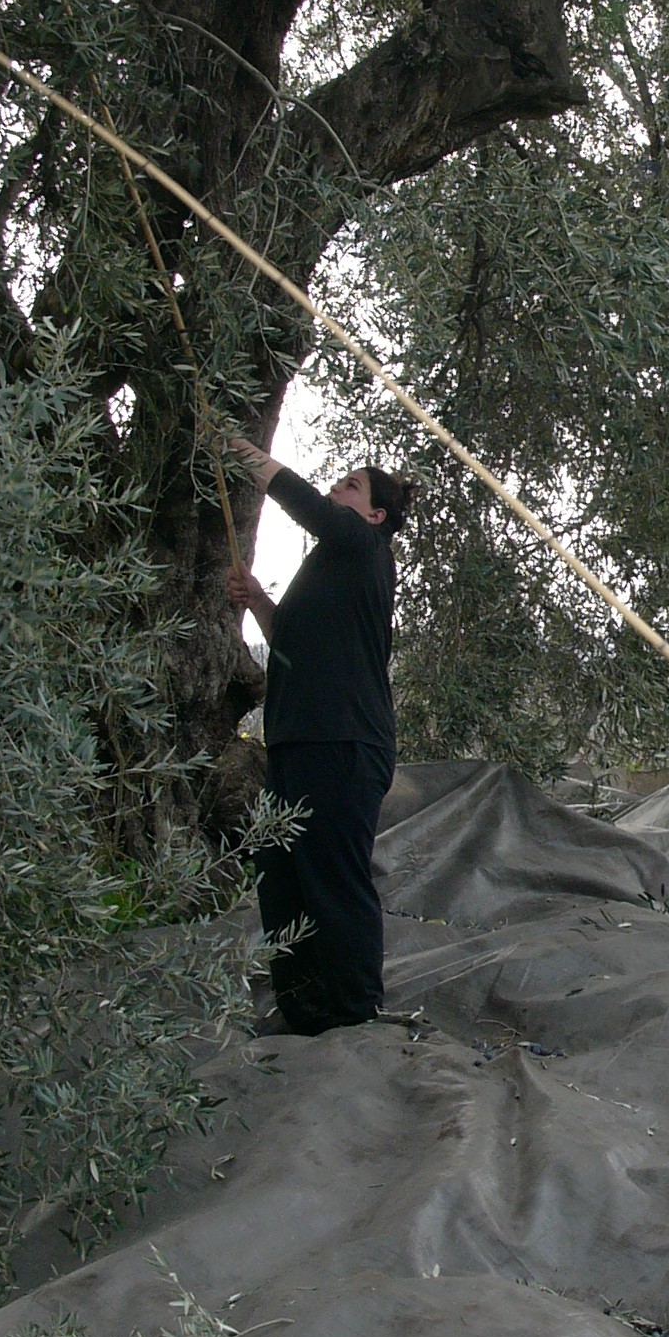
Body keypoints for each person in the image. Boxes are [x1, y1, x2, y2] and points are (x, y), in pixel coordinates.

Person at [226, 435, 411, 1033]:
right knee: (280, 878)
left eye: (351, 486)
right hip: (297, 740)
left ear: (376, 514)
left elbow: (311, 507)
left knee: (333, 878)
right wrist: (258, 601)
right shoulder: (329, 567)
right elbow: (293, 640)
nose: (338, 488)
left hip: (344, 742)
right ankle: (302, 1008)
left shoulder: (366, 547)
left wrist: (246, 455)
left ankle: (354, 1013)